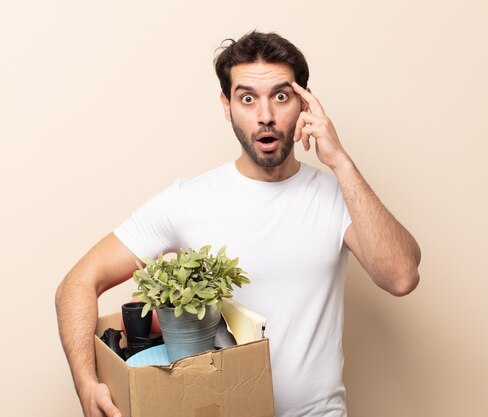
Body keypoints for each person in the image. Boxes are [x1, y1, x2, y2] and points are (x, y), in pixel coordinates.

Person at [56, 30, 421, 417]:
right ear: (226, 105)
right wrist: (86, 383)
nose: (265, 116)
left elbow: (401, 277)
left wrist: (341, 161)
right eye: (247, 98)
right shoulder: (188, 200)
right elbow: (76, 285)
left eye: (281, 96)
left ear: (305, 103)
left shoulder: (337, 192)